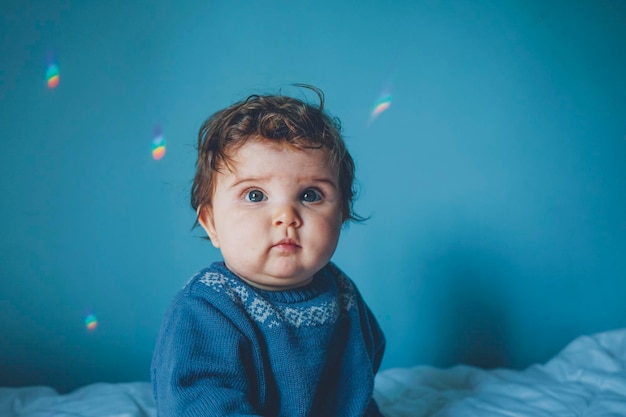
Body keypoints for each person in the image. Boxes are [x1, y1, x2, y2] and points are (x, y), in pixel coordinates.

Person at [151, 85, 386, 417]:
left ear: (342, 215)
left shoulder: (342, 293)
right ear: (211, 223)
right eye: (254, 195)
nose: (286, 216)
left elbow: (359, 378)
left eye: (310, 195)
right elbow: (200, 400)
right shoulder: (207, 306)